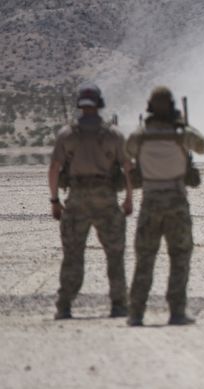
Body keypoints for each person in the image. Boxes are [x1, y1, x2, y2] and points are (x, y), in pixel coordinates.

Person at [49, 83, 134, 320]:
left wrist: (55, 200)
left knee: (73, 254)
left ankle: (64, 305)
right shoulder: (113, 135)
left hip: (76, 199)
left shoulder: (67, 135)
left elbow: (54, 168)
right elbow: (128, 168)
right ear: (99, 104)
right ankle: (119, 305)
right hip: (106, 198)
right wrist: (128, 198)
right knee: (115, 253)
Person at [126, 86, 204, 326]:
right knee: (180, 257)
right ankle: (177, 312)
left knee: (145, 258)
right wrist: (184, 126)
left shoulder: (140, 135)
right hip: (176, 200)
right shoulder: (181, 133)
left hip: (150, 200)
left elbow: (127, 151)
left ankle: (136, 313)